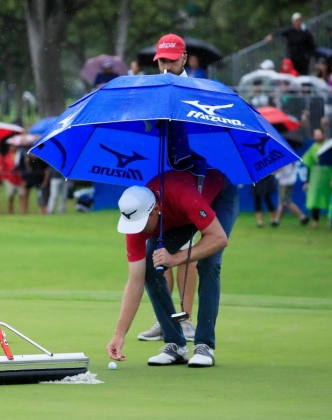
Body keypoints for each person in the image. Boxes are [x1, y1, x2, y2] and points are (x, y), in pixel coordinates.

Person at [106, 169, 239, 368]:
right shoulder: (135, 222)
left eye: (142, 224)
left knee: (209, 263)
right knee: (151, 268)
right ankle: (176, 344)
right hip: (180, 215)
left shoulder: (181, 193)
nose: (139, 230)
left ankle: (204, 345)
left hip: (216, 197)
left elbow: (219, 238)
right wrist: (119, 335)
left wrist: (175, 258)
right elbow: (135, 281)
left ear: (156, 209)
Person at [135, 33, 197, 342]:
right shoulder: (152, 90)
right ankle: (167, 316)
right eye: (162, 59)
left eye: (172, 59)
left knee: (184, 254)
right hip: (160, 178)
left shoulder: (197, 91)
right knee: (161, 249)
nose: (166, 65)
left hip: (190, 180)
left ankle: (184, 319)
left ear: (184, 59)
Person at [302, 128, 332, 229]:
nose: (317, 136)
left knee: (330, 198)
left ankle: (330, 221)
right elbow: (309, 165)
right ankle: (315, 222)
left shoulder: (330, 145)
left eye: (319, 134)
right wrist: (308, 181)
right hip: (315, 176)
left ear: (323, 134)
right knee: (314, 199)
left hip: (328, 174)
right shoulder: (313, 148)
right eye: (315, 134)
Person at [0, 144, 25, 214]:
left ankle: (23, 212)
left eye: (14, 146)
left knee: (22, 196)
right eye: (11, 146)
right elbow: (4, 168)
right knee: (11, 197)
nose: (13, 147)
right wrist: (3, 177)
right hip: (10, 179)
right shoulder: (7, 157)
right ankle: (10, 212)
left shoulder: (20, 155)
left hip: (19, 179)